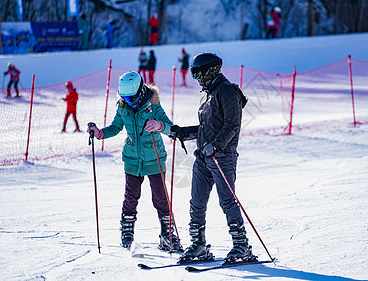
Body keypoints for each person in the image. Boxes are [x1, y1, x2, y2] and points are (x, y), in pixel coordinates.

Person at [169, 53, 252, 264]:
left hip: (222, 157)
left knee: (226, 201)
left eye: (198, 73)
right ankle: (199, 246)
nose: (196, 78)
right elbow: (205, 128)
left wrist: (215, 146)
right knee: (197, 202)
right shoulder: (208, 94)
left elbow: (233, 125)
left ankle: (241, 245)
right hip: (204, 157)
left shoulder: (227, 91)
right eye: (193, 74)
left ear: (210, 70)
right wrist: (184, 132)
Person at [86, 71, 183, 252]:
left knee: (161, 198)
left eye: (131, 97)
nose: (127, 100)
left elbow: (171, 128)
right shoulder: (123, 107)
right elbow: (115, 127)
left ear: (139, 91)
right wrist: (99, 133)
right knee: (131, 197)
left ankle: (167, 236)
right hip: (132, 159)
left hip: (154, 157)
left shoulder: (153, 105)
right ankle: (127, 234)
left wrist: (158, 125)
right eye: (124, 97)